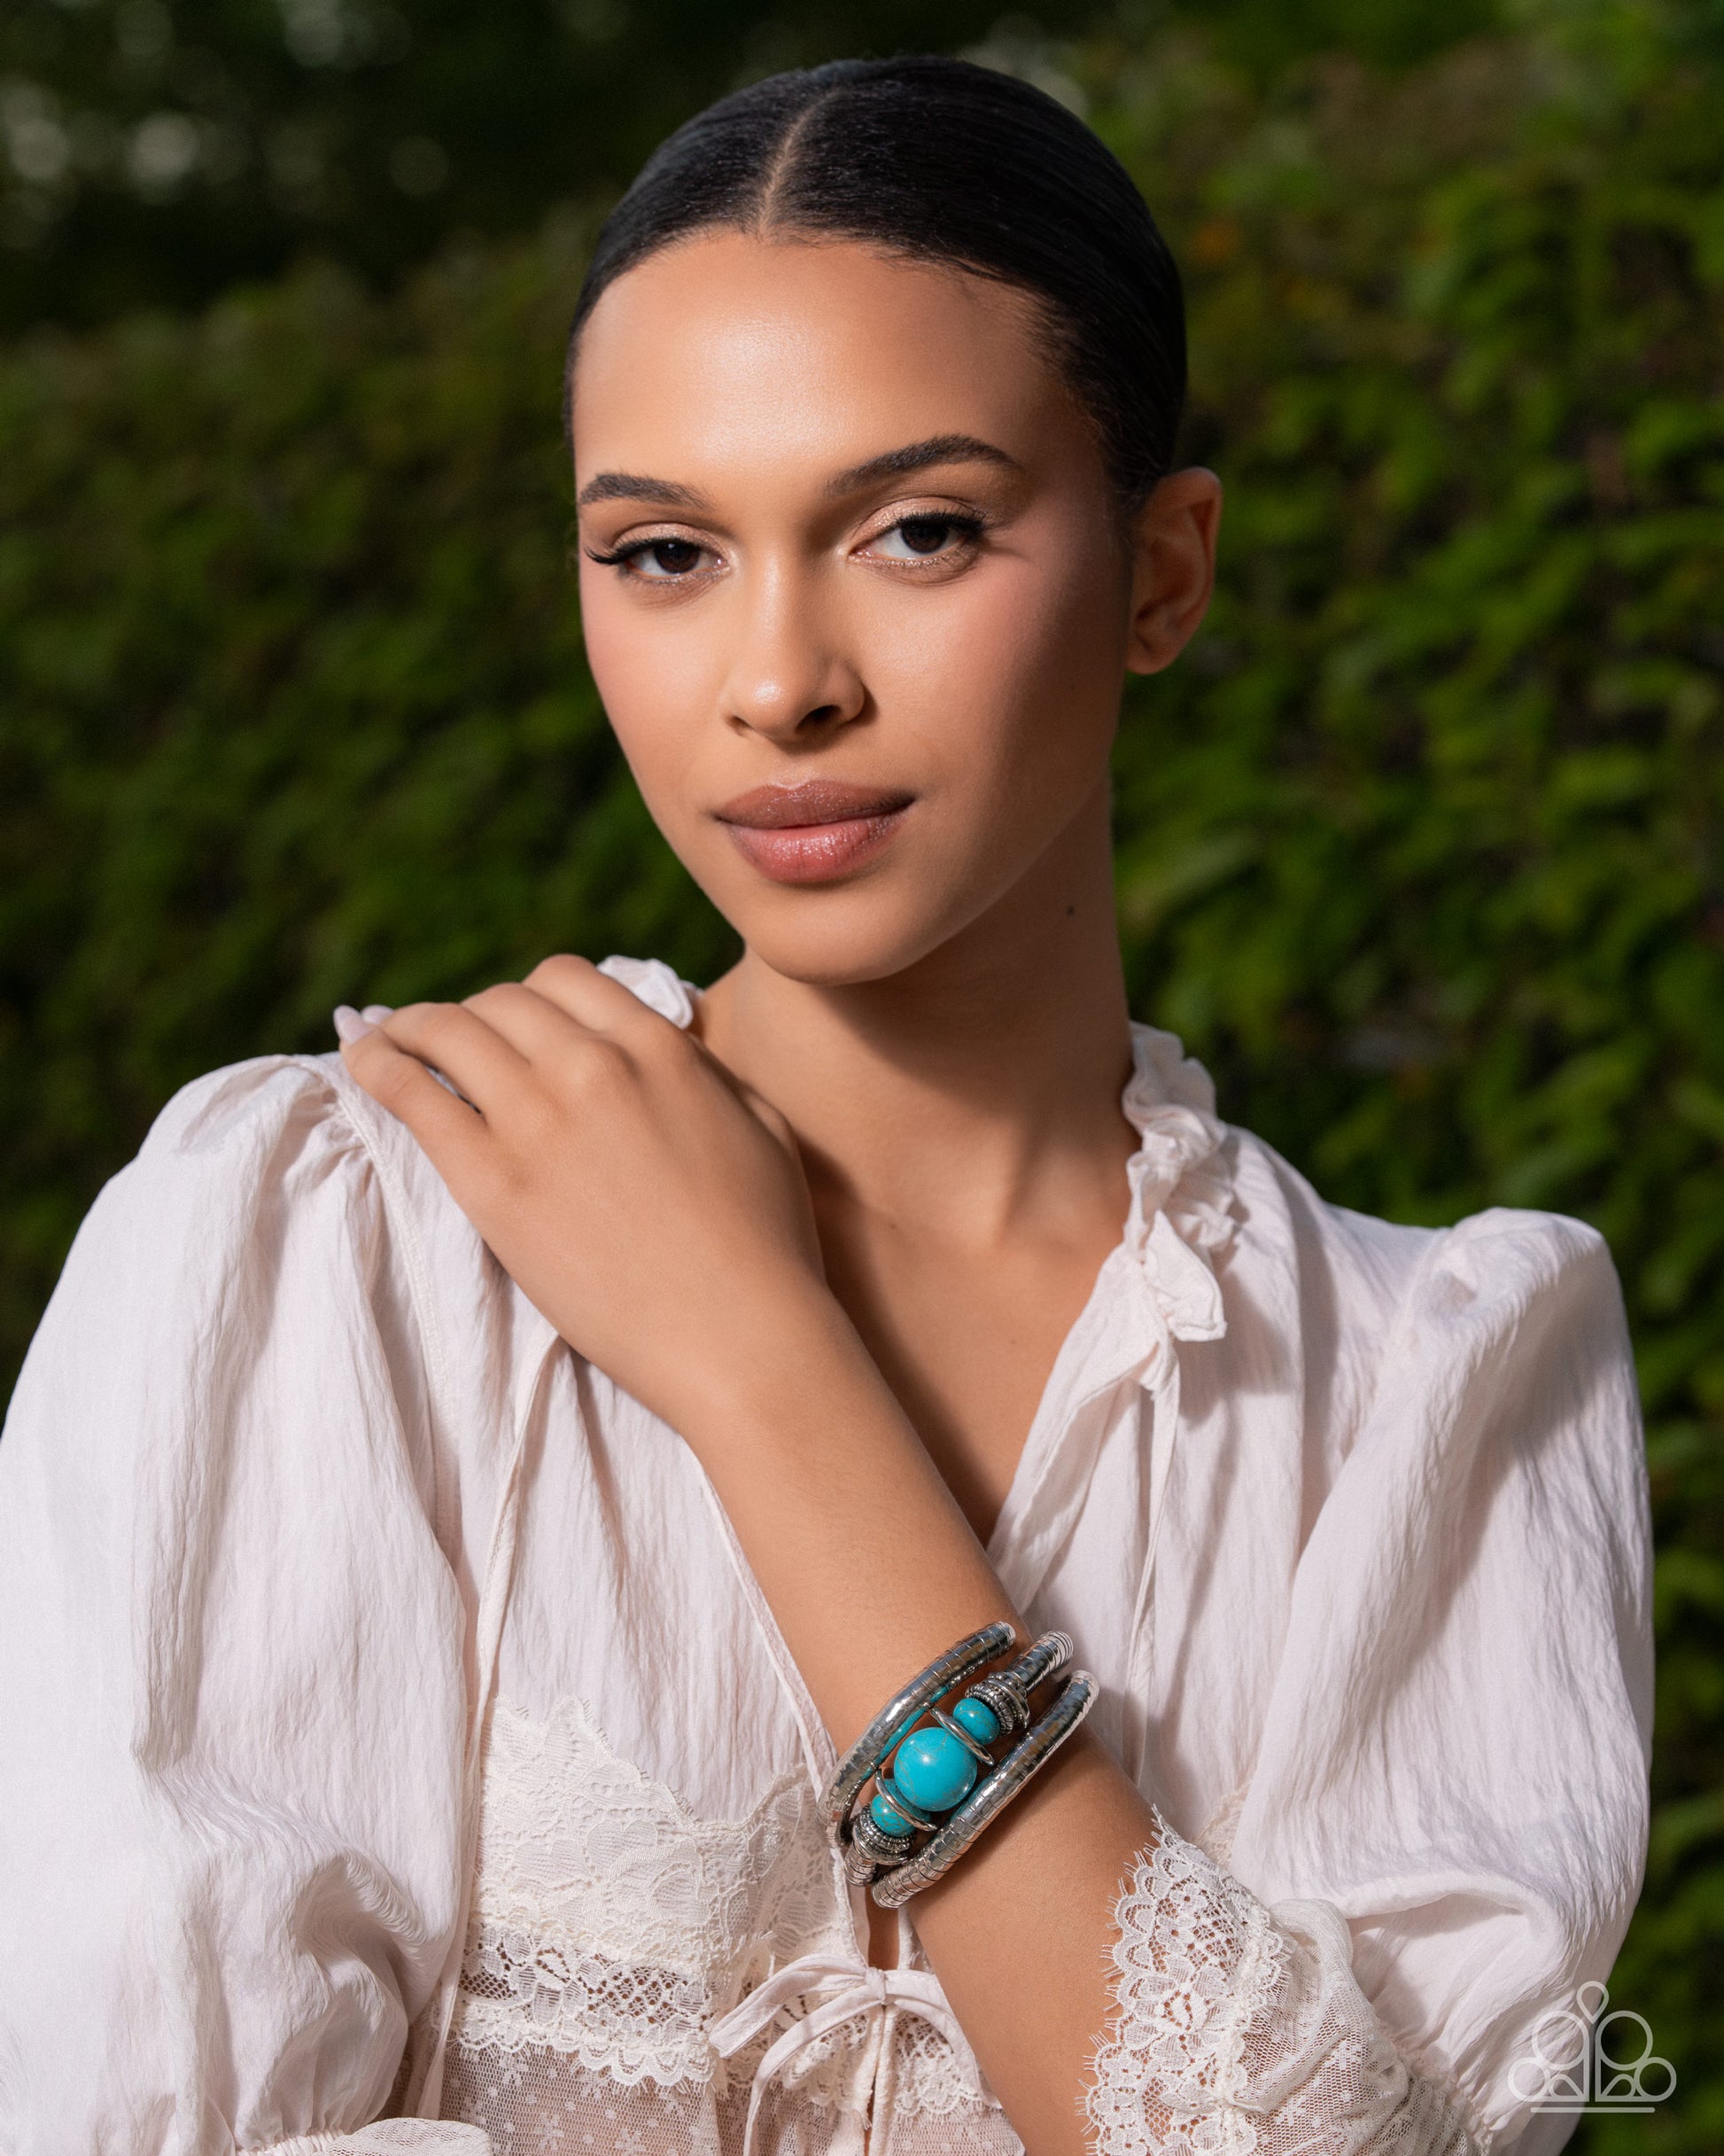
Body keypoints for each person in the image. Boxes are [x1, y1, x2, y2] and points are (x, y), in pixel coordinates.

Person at [0, 55, 1650, 2156]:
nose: (777, 681)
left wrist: (762, 1366)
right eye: (666, 551)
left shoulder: (1437, 1389)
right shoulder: (321, 1235)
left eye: (919, 529)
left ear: (1165, 571)